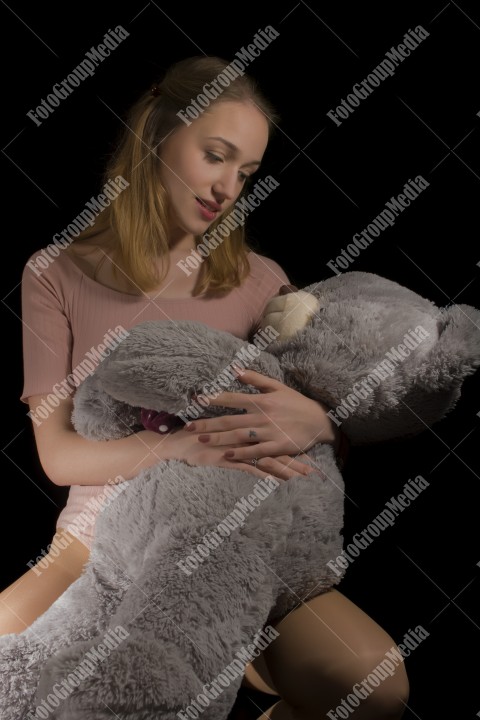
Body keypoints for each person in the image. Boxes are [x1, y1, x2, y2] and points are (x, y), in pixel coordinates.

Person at [0, 55, 409, 719]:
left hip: (241, 534)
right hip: (97, 543)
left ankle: (235, 644)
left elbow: (310, 421)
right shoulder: (55, 274)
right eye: (215, 156)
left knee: (375, 688)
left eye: (246, 173)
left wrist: (322, 423)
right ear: (158, 136)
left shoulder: (260, 280)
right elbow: (57, 453)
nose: (227, 186)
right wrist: (175, 449)